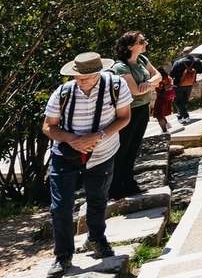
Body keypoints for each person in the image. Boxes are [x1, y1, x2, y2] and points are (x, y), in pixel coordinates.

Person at [42, 52, 132, 278]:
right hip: (66, 155)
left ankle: (97, 239)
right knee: (60, 206)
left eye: (86, 77)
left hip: (103, 152)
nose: (80, 81)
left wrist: (99, 136)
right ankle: (63, 256)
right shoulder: (62, 93)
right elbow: (48, 126)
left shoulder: (116, 86)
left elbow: (124, 117)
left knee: (98, 200)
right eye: (77, 77)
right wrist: (72, 139)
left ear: (99, 73)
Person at [106, 31, 159, 200]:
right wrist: (152, 84)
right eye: (141, 41)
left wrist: (149, 83)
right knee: (123, 148)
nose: (145, 43)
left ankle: (129, 182)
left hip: (143, 108)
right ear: (130, 46)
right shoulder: (120, 67)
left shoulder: (142, 60)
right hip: (128, 111)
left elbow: (158, 75)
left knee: (134, 147)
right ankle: (115, 187)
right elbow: (135, 90)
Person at [166, 50, 202, 125]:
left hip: (178, 85)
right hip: (189, 84)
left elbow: (172, 74)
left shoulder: (178, 62)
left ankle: (185, 116)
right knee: (185, 100)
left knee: (177, 101)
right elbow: (200, 71)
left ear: (183, 53)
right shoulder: (197, 61)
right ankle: (180, 115)